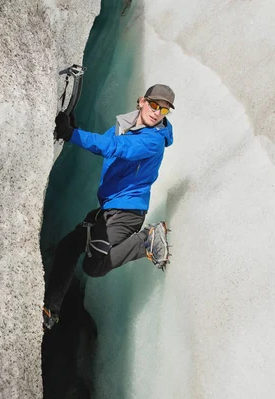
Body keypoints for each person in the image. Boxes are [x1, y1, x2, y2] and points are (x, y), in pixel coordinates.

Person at [43, 84, 175, 330]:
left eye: (164, 110)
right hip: (109, 209)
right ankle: (50, 310)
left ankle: (147, 240)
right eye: (155, 105)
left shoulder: (153, 141)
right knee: (68, 247)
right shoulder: (126, 126)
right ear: (142, 101)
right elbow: (104, 142)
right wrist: (74, 130)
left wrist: (71, 134)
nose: (157, 113)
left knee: (94, 266)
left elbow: (115, 148)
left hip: (127, 213)